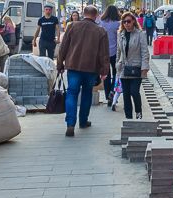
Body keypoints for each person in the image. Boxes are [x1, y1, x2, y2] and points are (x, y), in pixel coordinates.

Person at [57, 5, 110, 137]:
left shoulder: (72, 26)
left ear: (83, 14)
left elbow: (63, 47)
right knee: (87, 94)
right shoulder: (100, 31)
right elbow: (104, 54)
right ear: (96, 16)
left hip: (73, 66)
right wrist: (104, 70)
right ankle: (83, 121)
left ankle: (70, 124)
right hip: (91, 69)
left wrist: (59, 64)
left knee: (72, 93)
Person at [116, 12, 149, 119]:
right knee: (125, 95)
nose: (126, 24)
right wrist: (117, 65)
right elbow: (118, 52)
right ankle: (128, 117)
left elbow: (145, 52)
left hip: (136, 67)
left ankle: (138, 111)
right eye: (124, 22)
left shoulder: (140, 34)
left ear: (133, 21)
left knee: (134, 92)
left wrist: (144, 68)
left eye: (129, 21)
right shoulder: (120, 34)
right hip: (123, 68)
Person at [100, 5, 120, 104]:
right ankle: (113, 91)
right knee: (116, 74)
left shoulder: (101, 23)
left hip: (104, 53)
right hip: (116, 52)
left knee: (106, 75)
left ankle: (108, 95)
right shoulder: (118, 24)